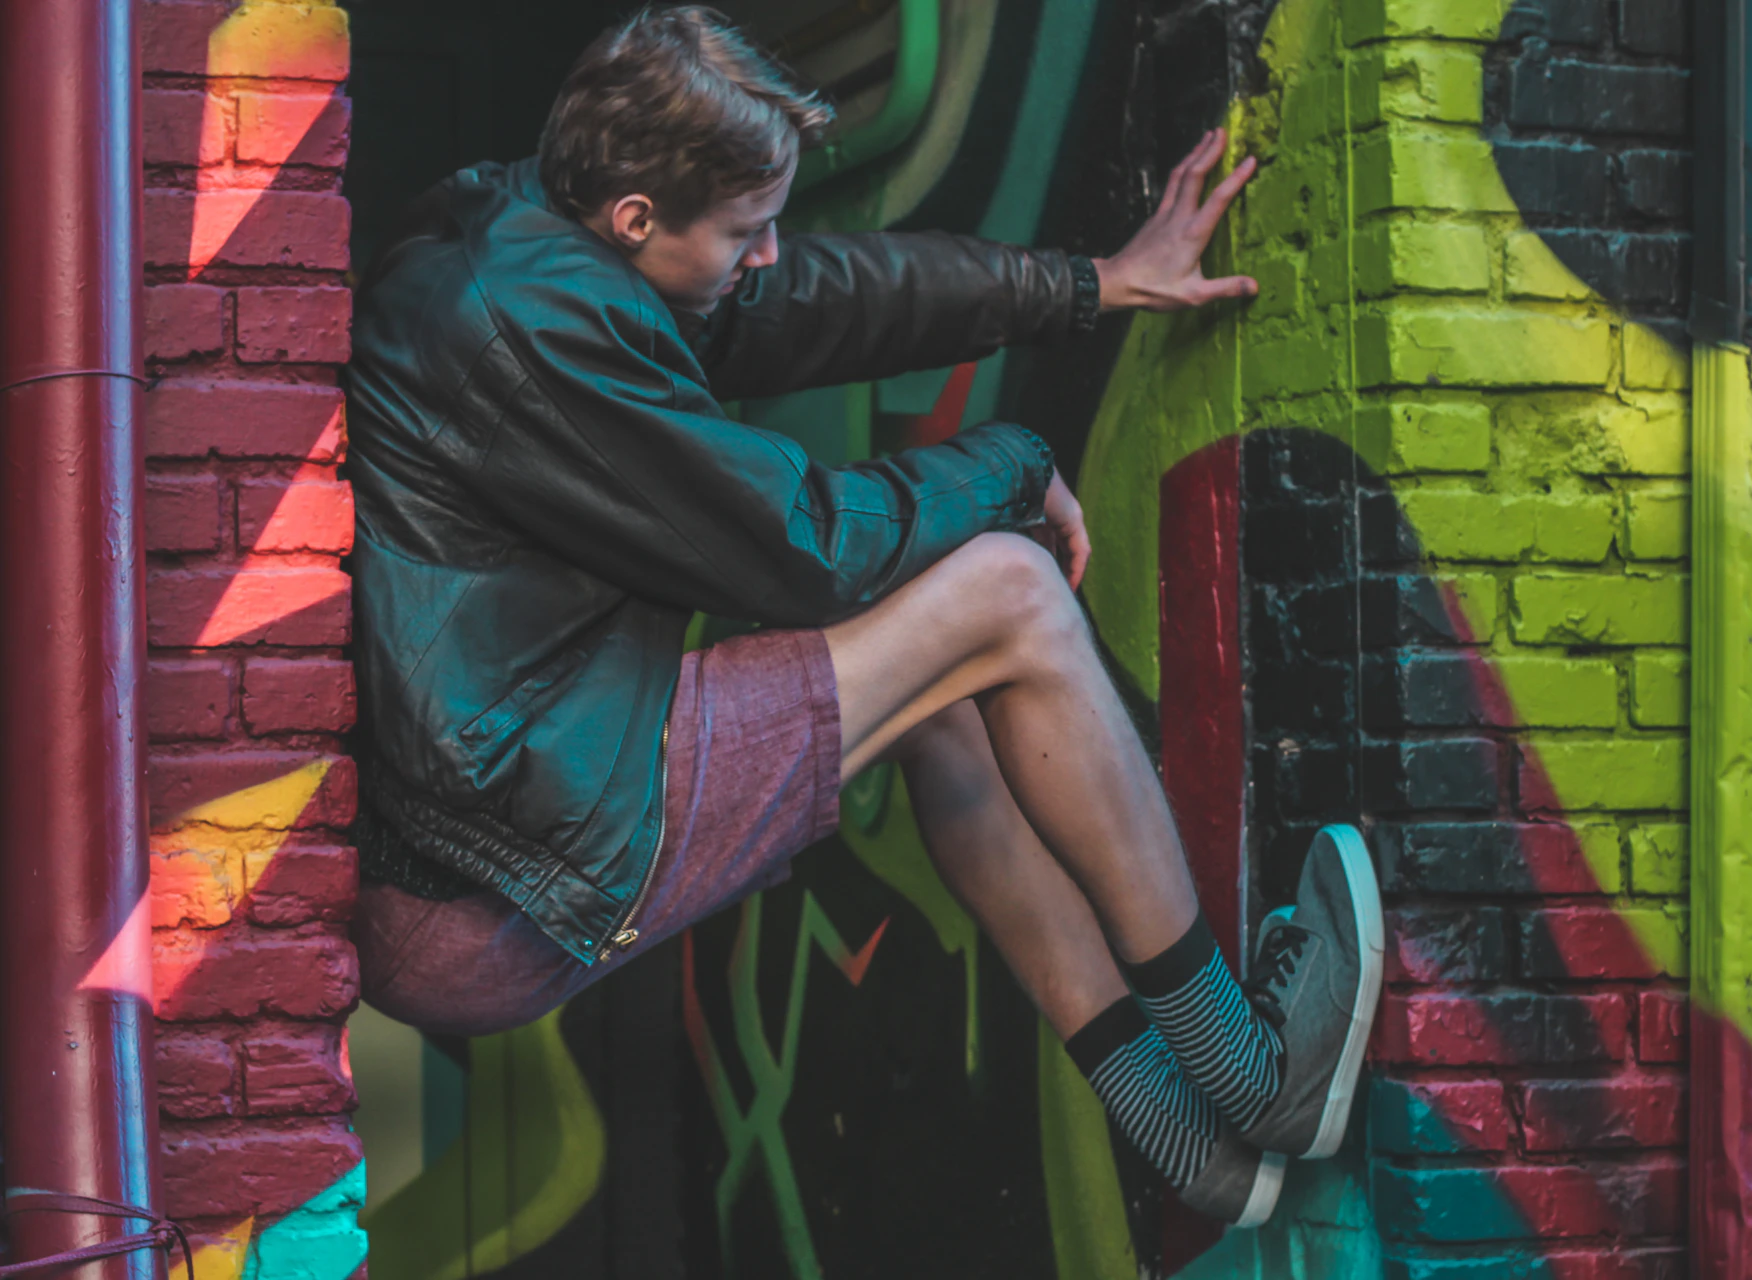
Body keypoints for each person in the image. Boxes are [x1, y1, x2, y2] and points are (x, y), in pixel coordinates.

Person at [345, 5, 1383, 1228]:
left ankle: (1181, 1137)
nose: (772, 251)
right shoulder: (533, 325)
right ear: (639, 218)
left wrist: (1086, 285)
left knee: (941, 690)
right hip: (495, 883)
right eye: (748, 228)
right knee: (1011, 591)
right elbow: (804, 547)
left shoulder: (551, 237)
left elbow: (817, 298)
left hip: (513, 812)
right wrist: (1008, 463)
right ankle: (1253, 1073)